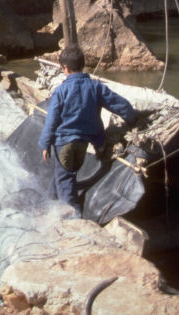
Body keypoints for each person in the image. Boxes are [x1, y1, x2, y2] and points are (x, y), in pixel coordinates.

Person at [37, 45, 137, 217]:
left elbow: (51, 120)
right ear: (83, 65)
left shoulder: (61, 91)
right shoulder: (95, 87)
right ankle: (48, 203)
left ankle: (74, 220)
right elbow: (118, 103)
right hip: (83, 144)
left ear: (64, 68)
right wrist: (132, 118)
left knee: (66, 182)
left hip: (64, 145)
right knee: (63, 176)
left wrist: (45, 144)